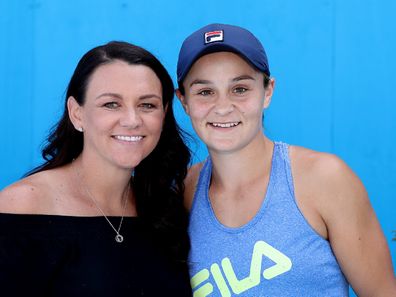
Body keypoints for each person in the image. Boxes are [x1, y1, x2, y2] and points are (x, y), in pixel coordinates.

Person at [176, 23, 396, 296]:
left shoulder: (324, 179)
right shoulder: (184, 192)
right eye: (205, 92)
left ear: (267, 91)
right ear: (183, 101)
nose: (222, 107)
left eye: (240, 89)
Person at [0, 41, 192, 296]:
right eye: (111, 104)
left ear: (164, 114)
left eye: (147, 105)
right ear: (77, 113)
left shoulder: (166, 208)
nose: (132, 120)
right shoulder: (23, 205)